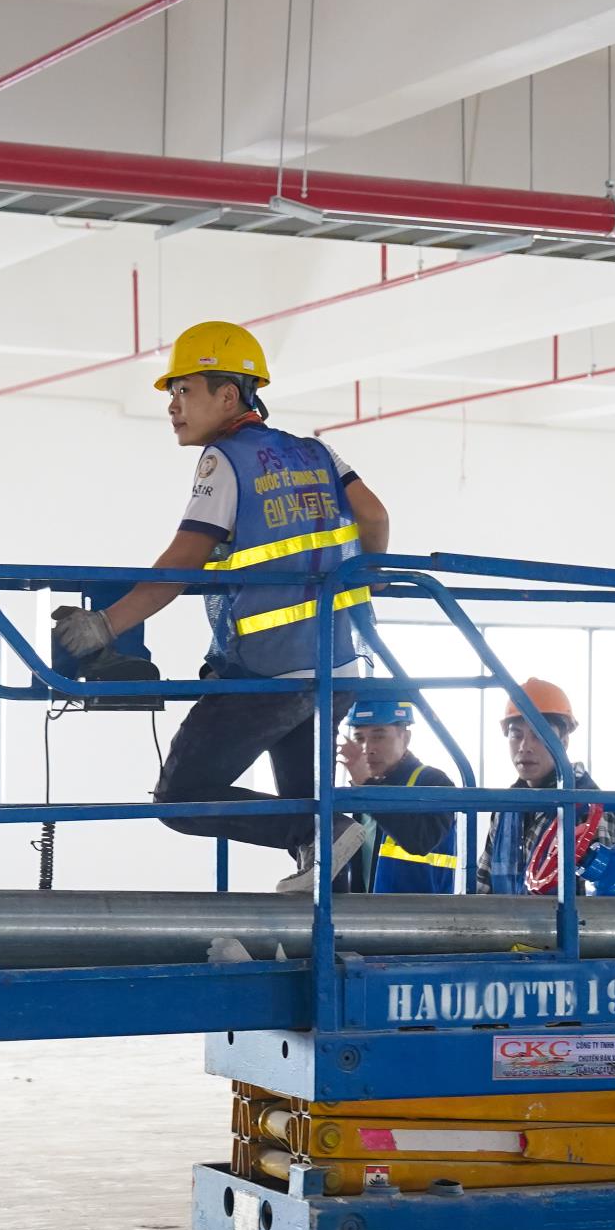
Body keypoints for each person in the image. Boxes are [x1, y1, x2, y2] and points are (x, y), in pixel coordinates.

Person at [49, 320, 390, 892]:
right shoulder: (318, 452)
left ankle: (320, 842)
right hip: (339, 665)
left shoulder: (225, 460)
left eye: (184, 390)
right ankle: (334, 904)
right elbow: (375, 516)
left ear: (228, 395)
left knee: (181, 797)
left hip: (267, 671)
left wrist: (104, 625)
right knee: (311, 811)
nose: (173, 406)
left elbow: (181, 563)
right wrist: (367, 585)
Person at [475, 678, 615, 895]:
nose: (524, 747)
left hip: (561, 920)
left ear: (564, 740)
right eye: (516, 735)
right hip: (506, 918)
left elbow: (594, 902)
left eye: (538, 735)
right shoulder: (505, 809)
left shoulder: (592, 810)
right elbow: (482, 889)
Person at [340, 696, 462, 892]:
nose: (368, 749)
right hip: (367, 910)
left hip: (423, 910)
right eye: (359, 738)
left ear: (405, 738)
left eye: (378, 736)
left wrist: (367, 787)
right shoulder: (361, 792)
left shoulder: (434, 782)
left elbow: (420, 841)